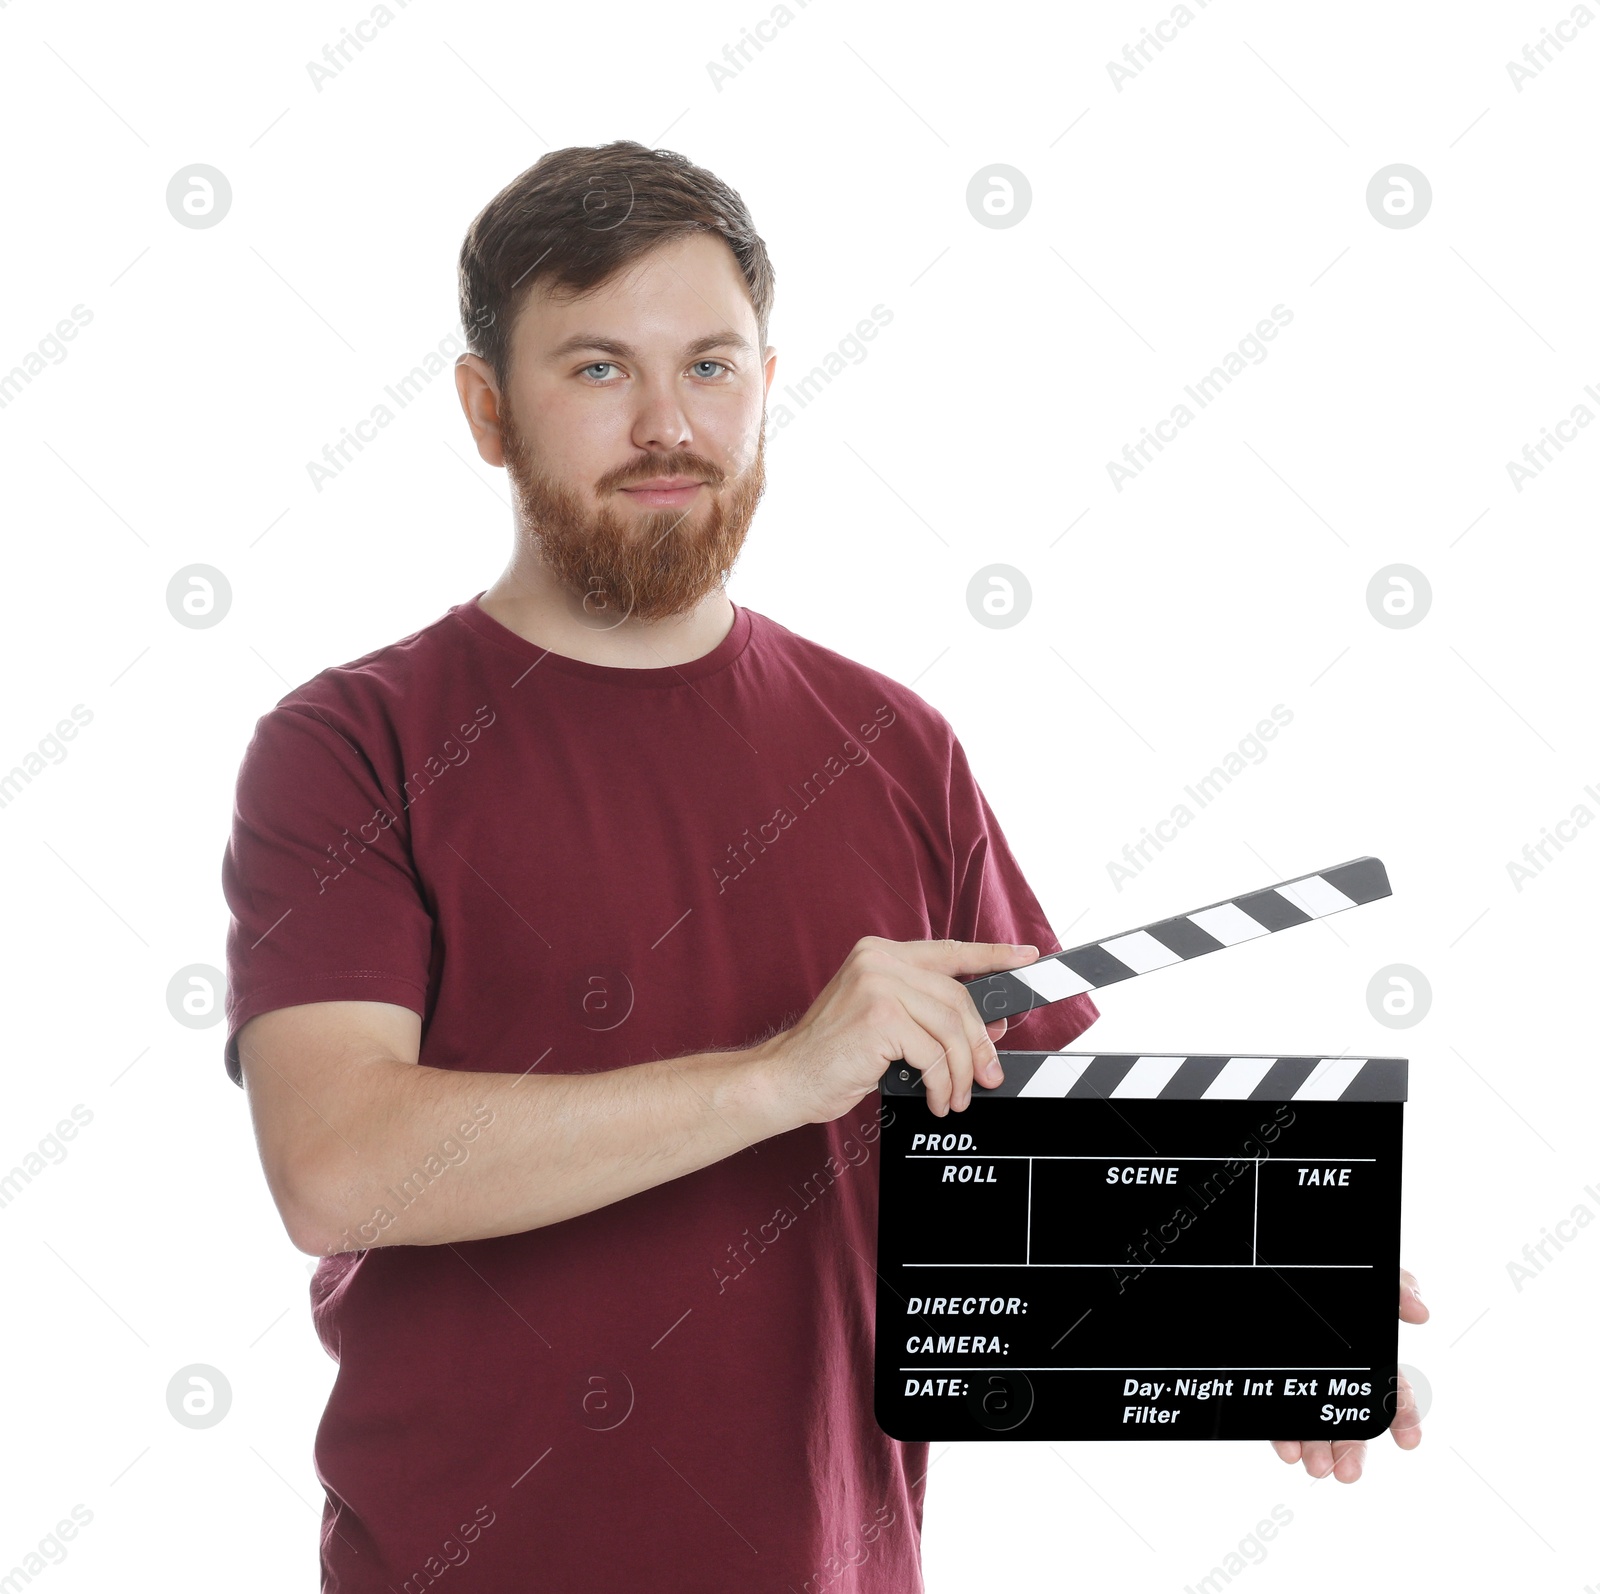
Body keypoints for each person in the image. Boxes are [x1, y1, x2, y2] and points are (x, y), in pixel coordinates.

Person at [222, 140, 1425, 1594]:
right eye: (598, 369)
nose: (669, 423)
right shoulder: (350, 743)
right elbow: (337, 1164)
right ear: (487, 409)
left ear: (771, 384)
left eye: (712, 367)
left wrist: (1280, 1306)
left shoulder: (895, 747)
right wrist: (779, 1076)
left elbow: (1020, 1167)